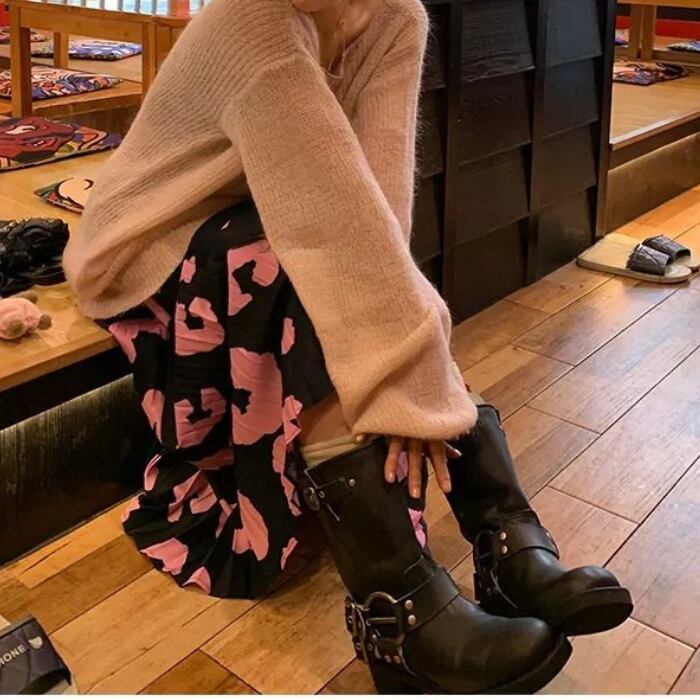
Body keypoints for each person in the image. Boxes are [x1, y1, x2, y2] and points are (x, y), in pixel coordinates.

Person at [63, 0, 631, 692]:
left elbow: (376, 211)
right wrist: (393, 384)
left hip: (265, 223)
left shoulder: (395, 17)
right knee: (292, 264)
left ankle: (501, 539)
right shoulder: (254, 20)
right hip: (151, 244)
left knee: (355, 268)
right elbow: (324, 225)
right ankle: (398, 610)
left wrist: (405, 377)